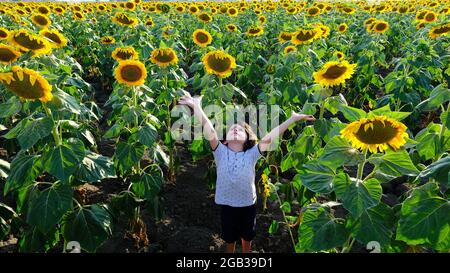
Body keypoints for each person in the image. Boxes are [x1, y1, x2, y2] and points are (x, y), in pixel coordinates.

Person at [178, 91, 315, 253]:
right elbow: (210, 130)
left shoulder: (251, 154)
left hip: (247, 205)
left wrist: (291, 119)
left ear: (248, 139)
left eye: (240, 130)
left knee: (247, 234)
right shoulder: (220, 152)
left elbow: (269, 138)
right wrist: (197, 106)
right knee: (229, 236)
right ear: (226, 140)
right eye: (232, 129)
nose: (236, 130)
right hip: (227, 204)